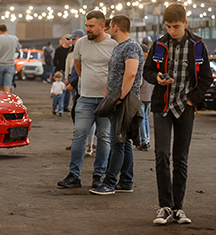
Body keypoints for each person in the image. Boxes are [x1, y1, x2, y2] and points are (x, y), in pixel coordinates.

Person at [143, 3, 213, 225]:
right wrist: (158, 78)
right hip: (162, 107)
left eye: (175, 26)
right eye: (168, 26)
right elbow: (147, 71)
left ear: (185, 23)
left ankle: (178, 208)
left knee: (180, 159)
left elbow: (206, 78)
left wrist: (193, 100)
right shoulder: (159, 45)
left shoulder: (198, 47)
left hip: (185, 108)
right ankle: (164, 207)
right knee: (162, 155)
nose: (172, 30)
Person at [57, 10, 117, 189]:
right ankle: (74, 175)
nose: (87, 29)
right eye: (86, 25)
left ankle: (99, 175)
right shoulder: (81, 43)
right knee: (78, 135)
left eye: (91, 26)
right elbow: (78, 66)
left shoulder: (113, 44)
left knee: (104, 138)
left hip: (106, 100)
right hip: (85, 97)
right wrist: (88, 83)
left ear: (102, 26)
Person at [89, 14, 144, 196]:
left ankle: (110, 183)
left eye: (109, 26)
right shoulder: (120, 47)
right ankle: (126, 181)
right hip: (118, 99)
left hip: (124, 101)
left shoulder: (131, 47)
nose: (107, 29)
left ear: (116, 28)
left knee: (117, 142)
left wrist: (120, 97)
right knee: (124, 141)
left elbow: (131, 74)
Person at [0, 24, 21, 93]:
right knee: (8, 84)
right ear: (6, 29)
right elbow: (18, 48)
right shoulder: (14, 38)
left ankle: (1, 100)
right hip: (10, 65)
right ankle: (7, 99)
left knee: (0, 86)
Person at [138, 43, 153, 151]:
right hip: (150, 95)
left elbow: (139, 81)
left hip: (142, 94)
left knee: (141, 118)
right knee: (146, 118)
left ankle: (143, 141)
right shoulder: (151, 63)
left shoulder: (141, 63)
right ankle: (147, 139)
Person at [54, 35, 72, 111]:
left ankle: (65, 106)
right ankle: (59, 106)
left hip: (69, 72)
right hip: (61, 72)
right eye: (68, 39)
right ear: (64, 40)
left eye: (70, 39)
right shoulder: (59, 50)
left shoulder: (71, 50)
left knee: (67, 90)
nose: (69, 41)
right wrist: (58, 69)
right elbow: (55, 60)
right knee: (60, 90)